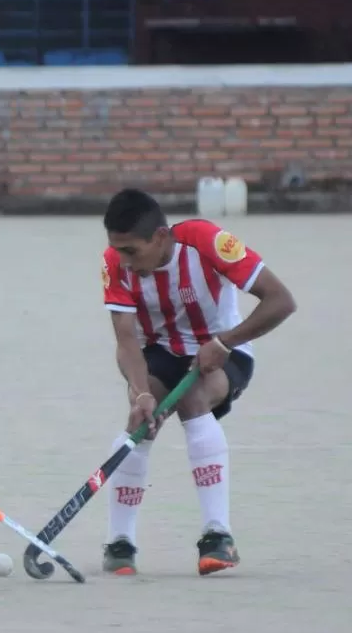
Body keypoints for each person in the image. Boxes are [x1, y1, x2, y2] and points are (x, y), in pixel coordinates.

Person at [99, 189, 296, 576]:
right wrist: (140, 393)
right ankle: (120, 543)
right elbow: (126, 341)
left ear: (159, 237)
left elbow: (280, 300)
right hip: (159, 351)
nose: (123, 261)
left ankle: (218, 535)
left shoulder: (207, 242)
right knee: (138, 422)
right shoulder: (115, 263)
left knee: (193, 399)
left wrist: (225, 341)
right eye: (117, 250)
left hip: (226, 350)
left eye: (132, 252)